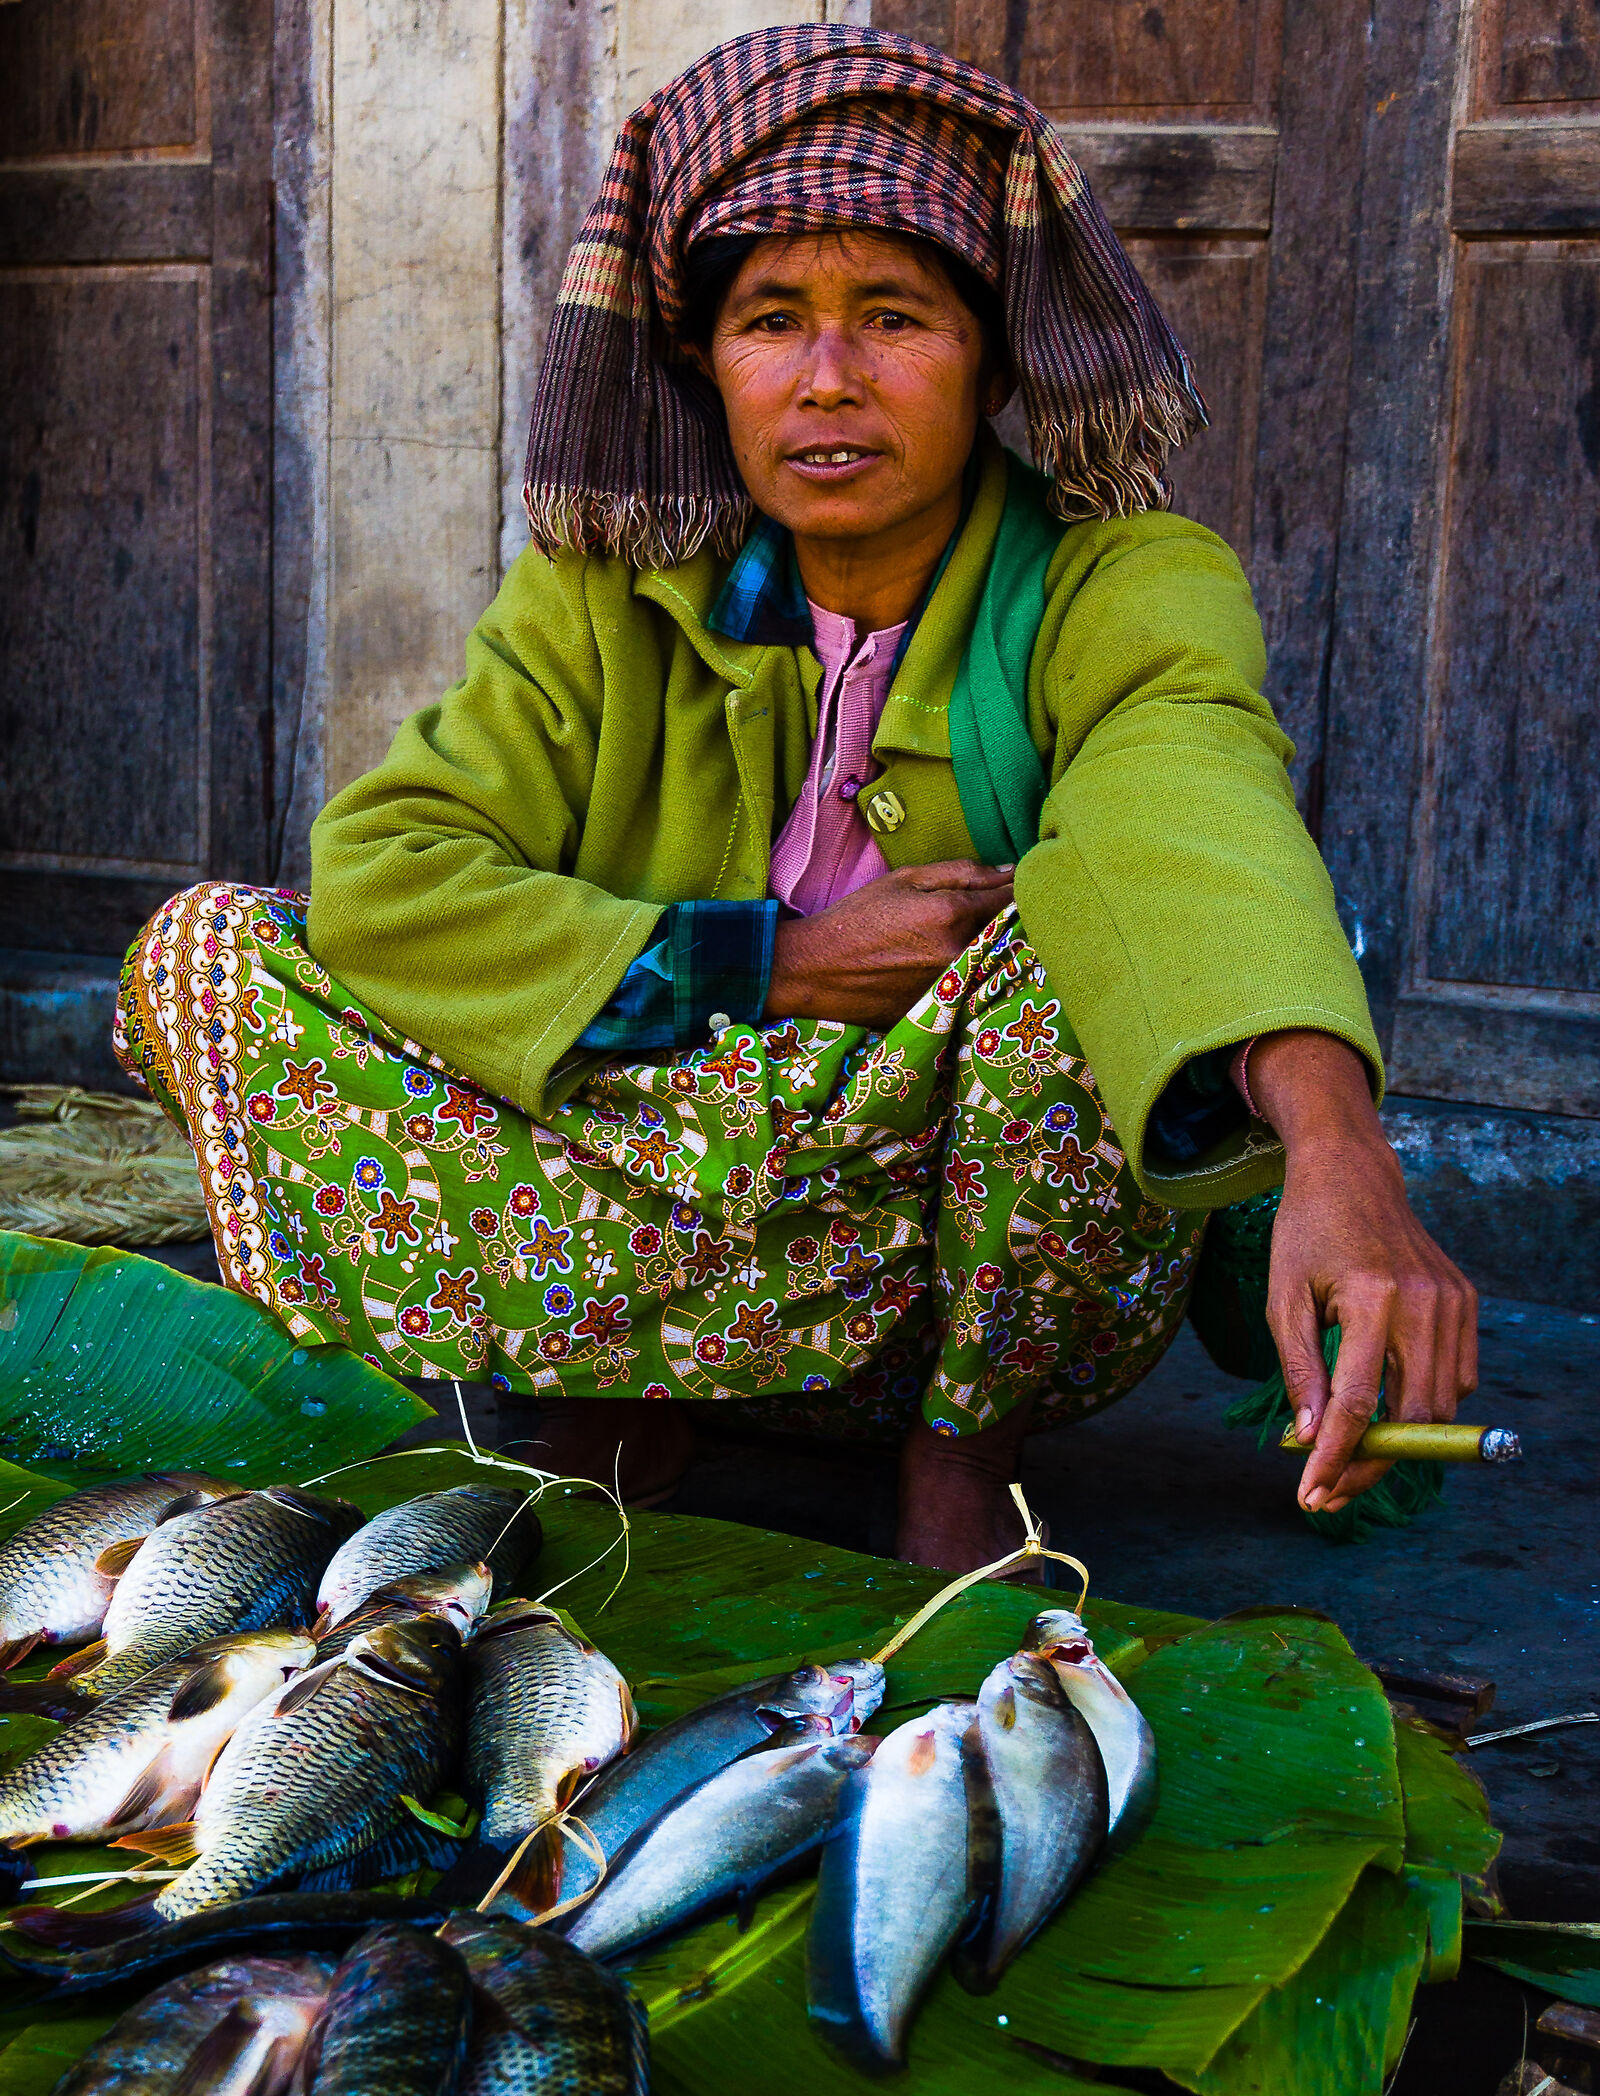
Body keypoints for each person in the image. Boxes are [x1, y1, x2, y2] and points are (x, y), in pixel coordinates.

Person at [117, 24, 1476, 1574]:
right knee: (210, 953)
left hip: (927, 1272)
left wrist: (1337, 1147)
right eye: (773, 320)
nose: (829, 380)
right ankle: (616, 1386)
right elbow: (388, 872)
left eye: (894, 315)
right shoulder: (606, 593)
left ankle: (966, 1457)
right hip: (641, 1212)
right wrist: (763, 962)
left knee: (1058, 952)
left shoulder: (1120, 577)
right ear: (705, 357)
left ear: (991, 349)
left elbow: (1193, 804)